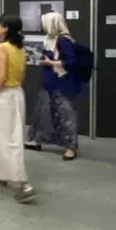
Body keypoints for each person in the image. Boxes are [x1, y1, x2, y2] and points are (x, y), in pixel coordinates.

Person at [0, 14, 35, 204]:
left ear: (5, 28)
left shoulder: (1, 48)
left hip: (3, 94)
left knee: (3, 138)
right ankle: (0, 173)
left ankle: (24, 183)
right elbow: (21, 74)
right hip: (16, 94)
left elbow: (1, 76)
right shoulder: (19, 48)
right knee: (12, 136)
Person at [26, 11, 82, 161]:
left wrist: (51, 63)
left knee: (66, 114)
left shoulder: (64, 41)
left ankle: (71, 148)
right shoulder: (49, 39)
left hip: (61, 84)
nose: (43, 26)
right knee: (43, 112)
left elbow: (71, 63)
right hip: (49, 81)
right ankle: (37, 140)